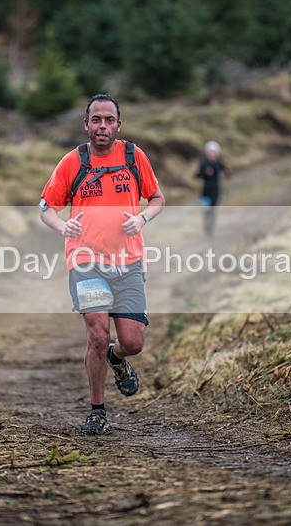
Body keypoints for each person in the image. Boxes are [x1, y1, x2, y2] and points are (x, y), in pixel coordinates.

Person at [39, 94, 165, 435]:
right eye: (96, 120)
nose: (103, 126)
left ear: (118, 125)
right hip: (85, 262)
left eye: (109, 120)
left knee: (133, 341)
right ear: (86, 124)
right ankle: (97, 410)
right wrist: (62, 226)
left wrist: (142, 219)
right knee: (97, 334)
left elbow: (157, 198)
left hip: (128, 261)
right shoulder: (72, 162)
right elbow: (45, 206)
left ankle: (118, 357)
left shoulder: (133, 156)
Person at [195, 140, 229, 236]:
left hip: (216, 190)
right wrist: (205, 173)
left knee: (213, 210)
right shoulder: (204, 163)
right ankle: (207, 228)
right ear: (207, 152)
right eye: (211, 151)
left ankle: (212, 229)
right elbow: (197, 175)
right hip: (205, 191)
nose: (212, 154)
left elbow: (227, 173)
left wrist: (225, 172)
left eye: (214, 152)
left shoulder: (219, 163)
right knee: (206, 211)